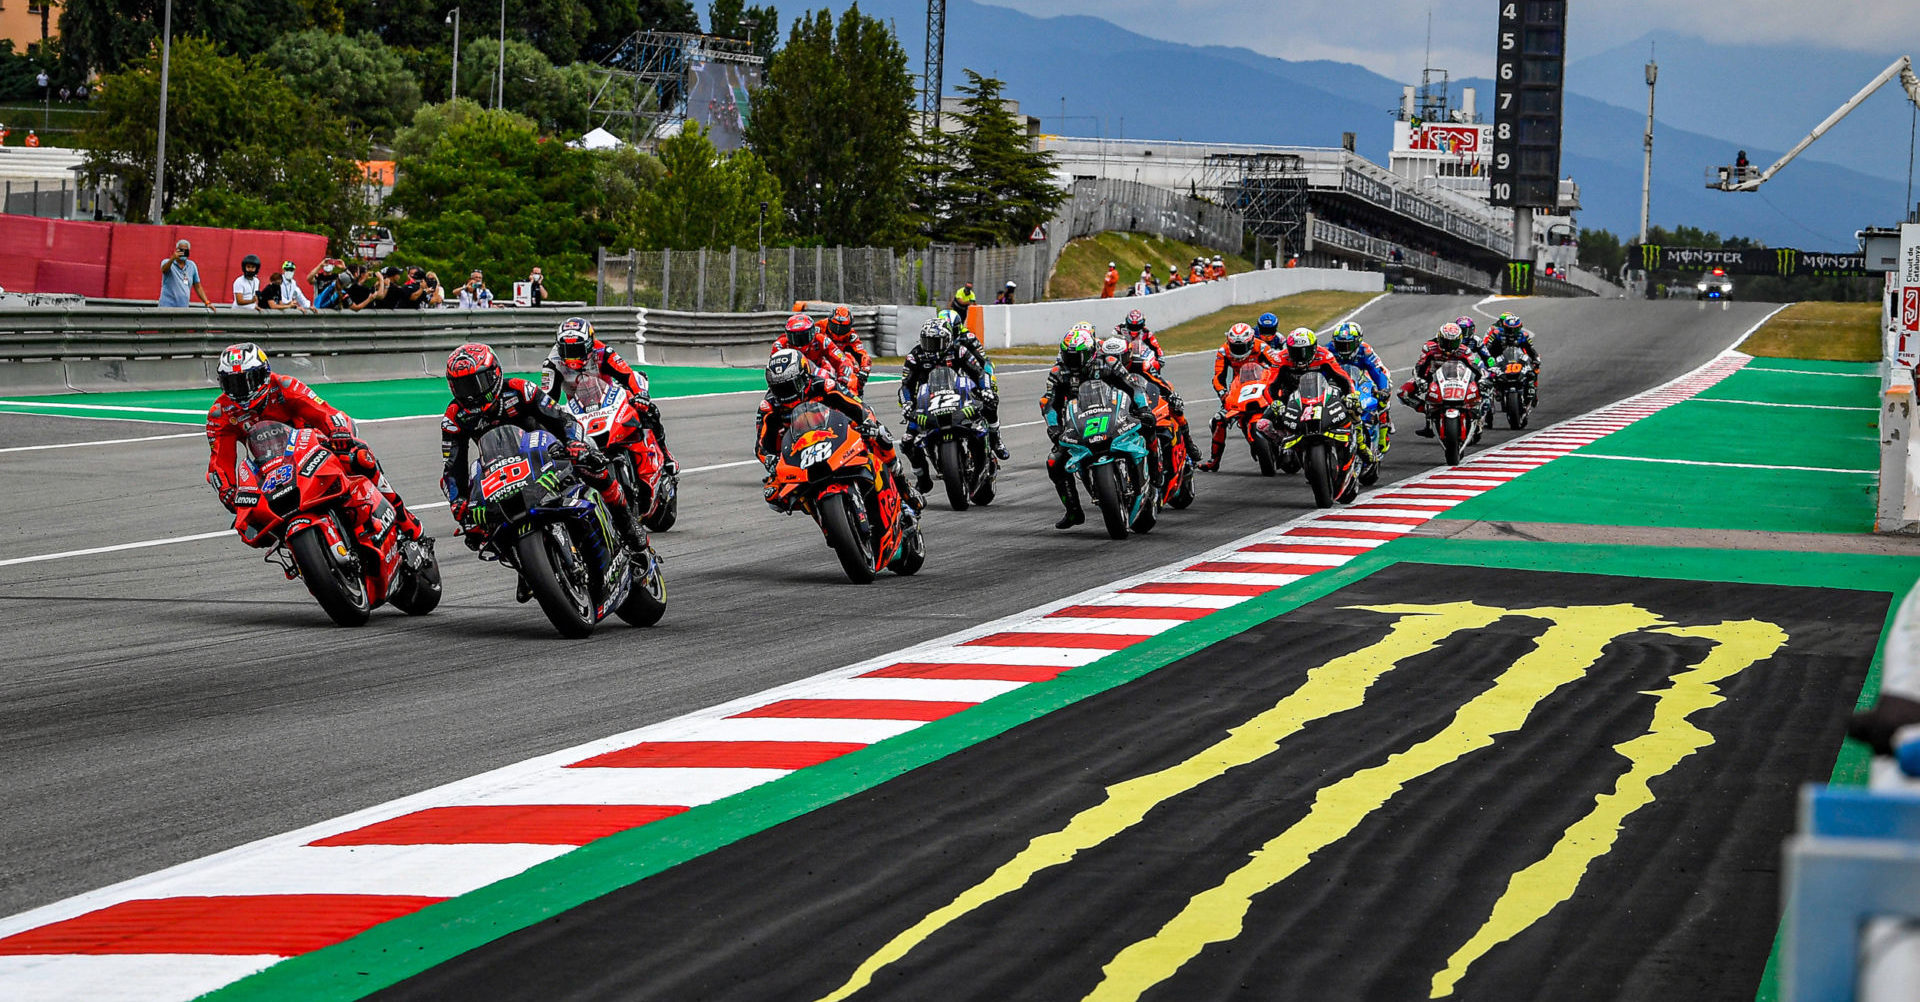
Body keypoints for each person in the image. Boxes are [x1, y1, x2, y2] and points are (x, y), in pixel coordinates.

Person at [440, 342, 648, 559]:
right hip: (504, 470)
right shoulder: (454, 417)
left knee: (594, 467)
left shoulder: (520, 390)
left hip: (550, 453)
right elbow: (453, 466)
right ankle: (526, 563)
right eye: (462, 386)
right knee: (479, 525)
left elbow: (562, 418)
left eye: (476, 383)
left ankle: (627, 524)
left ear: (494, 374)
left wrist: (573, 443)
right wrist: (458, 501)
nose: (471, 394)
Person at [204, 342, 423, 540]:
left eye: (247, 381)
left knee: (359, 457)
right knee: (248, 524)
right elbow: (220, 462)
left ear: (264, 374)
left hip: (312, 447)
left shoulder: (284, 386)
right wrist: (228, 489)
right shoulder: (220, 413)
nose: (242, 391)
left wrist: (338, 432)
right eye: (232, 383)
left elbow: (323, 411)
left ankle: (402, 516)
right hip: (269, 468)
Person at [757, 348, 922, 512]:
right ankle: (819, 510)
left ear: (804, 376)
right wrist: (769, 459)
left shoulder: (823, 384)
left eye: (792, 385)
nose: (787, 394)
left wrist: (868, 422)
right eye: (780, 389)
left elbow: (857, 406)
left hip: (838, 434)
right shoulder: (769, 405)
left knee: (880, 435)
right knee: (773, 495)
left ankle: (903, 487)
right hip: (800, 450)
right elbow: (761, 444)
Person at [1039, 326, 1158, 528]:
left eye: (1077, 356)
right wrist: (1053, 427)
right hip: (1079, 424)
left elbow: (1132, 386)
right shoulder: (1059, 372)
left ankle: (1155, 478)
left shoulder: (1108, 362)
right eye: (1068, 355)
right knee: (1054, 461)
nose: (1072, 360)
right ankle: (1073, 510)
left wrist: (1144, 408)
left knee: (1148, 428)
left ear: (1091, 352)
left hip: (1114, 415)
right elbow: (1049, 403)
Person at [540, 316, 678, 476]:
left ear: (589, 344)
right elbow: (546, 399)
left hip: (610, 398)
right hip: (578, 409)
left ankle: (666, 454)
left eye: (577, 350)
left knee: (648, 410)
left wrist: (641, 394)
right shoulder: (551, 364)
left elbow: (627, 374)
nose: (572, 357)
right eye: (566, 350)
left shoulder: (603, 351)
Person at [897, 317, 1005, 489]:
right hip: (927, 402)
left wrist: (986, 390)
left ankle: (994, 441)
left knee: (987, 409)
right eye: (927, 341)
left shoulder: (959, 351)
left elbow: (979, 372)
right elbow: (905, 386)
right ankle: (923, 479)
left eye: (935, 342)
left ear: (947, 340)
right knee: (908, 441)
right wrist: (907, 404)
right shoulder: (915, 356)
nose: (930, 347)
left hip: (960, 395)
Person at [1112, 328, 1201, 463]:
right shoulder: (1106, 369)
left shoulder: (1139, 364)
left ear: (1128, 354)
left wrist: (1170, 394)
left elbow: (1157, 380)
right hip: (1121, 407)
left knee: (1175, 409)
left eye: (1121, 357)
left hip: (1144, 397)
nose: (1118, 362)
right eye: (1113, 358)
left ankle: (1189, 445)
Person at [1399, 322, 1487, 436]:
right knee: (1403, 393)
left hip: (1459, 379)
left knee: (1483, 389)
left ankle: (1476, 416)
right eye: (1446, 342)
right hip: (1432, 378)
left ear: (1459, 341)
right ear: (1439, 338)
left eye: (1453, 343)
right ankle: (1430, 414)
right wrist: (1420, 379)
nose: (1449, 347)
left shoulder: (1465, 351)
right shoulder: (1429, 347)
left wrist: (1483, 378)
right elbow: (1419, 366)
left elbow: (1477, 365)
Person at [1326, 321, 1394, 457]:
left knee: (1382, 396)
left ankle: (1383, 433)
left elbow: (1378, 372)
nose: (1344, 349)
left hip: (1363, 376)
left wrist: (1383, 389)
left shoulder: (1365, 351)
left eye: (1348, 345)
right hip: (1339, 379)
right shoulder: (1329, 350)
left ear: (1358, 342)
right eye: (1340, 344)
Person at [770, 313, 859, 387]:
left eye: (804, 336)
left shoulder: (822, 340)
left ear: (812, 332)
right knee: (768, 402)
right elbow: (772, 369)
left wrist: (842, 377)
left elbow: (841, 359)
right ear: (787, 335)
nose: (800, 342)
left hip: (818, 373)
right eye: (795, 337)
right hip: (792, 377)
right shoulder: (780, 345)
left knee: (841, 388)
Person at [1483, 311, 1543, 402]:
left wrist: (1535, 359)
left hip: (1518, 359)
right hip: (1501, 358)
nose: (1512, 332)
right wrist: (1489, 359)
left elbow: (1531, 350)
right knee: (1489, 373)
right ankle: (1494, 392)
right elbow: (1487, 348)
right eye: (1509, 329)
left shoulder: (1524, 335)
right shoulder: (1496, 333)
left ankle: (1532, 389)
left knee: (1533, 369)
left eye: (1514, 330)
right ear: (1504, 327)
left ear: (1519, 327)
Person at [822, 306, 872, 394]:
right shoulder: (820, 327)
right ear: (829, 321)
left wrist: (864, 370)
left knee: (854, 366)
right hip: (822, 357)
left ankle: (855, 394)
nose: (838, 331)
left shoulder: (852, 336)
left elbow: (863, 354)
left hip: (841, 358)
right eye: (835, 326)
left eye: (843, 328)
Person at [159, 239, 216, 311]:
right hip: (167, 306)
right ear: (177, 250)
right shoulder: (167, 262)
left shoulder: (192, 265)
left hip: (183, 306)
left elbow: (198, 286)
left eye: (185, 251)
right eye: (181, 250)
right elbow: (164, 270)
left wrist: (207, 302)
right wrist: (172, 258)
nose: (183, 253)